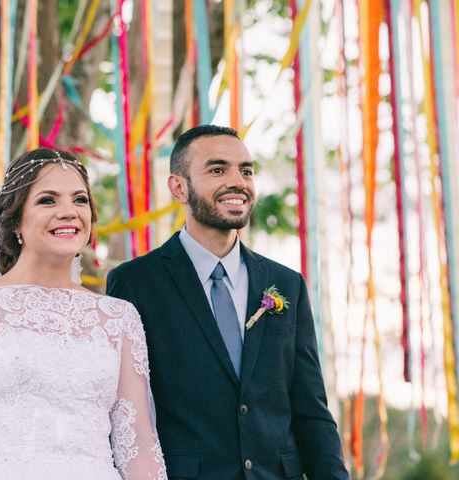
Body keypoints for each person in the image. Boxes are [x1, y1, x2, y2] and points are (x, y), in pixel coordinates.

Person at [107, 125, 348, 479]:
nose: (238, 182)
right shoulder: (136, 283)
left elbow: (310, 408)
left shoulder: (286, 284)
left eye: (246, 171)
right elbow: (124, 409)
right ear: (178, 187)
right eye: (218, 170)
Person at [0, 148, 166, 479]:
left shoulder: (119, 318)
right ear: (16, 219)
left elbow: (138, 445)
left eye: (80, 200)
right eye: (48, 200)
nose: (68, 212)